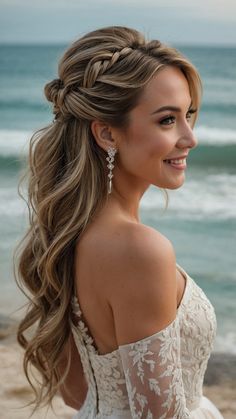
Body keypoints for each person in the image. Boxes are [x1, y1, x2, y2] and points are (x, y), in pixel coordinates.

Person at [14, 26, 224, 418]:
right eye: (167, 120)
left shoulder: (70, 236)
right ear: (107, 133)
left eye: (188, 114)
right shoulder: (139, 249)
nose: (190, 137)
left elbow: (77, 392)